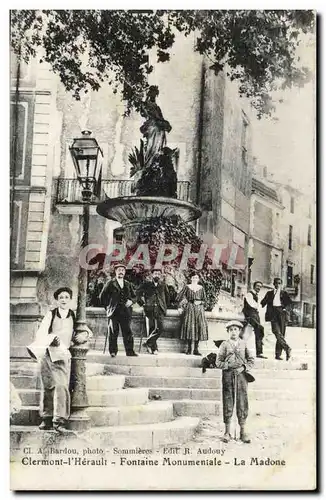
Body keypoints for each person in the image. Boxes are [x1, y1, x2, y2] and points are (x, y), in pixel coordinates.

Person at [27, 287, 85, 432]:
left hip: (62, 355)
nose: (64, 300)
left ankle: (59, 421)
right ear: (57, 300)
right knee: (48, 386)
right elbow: (41, 333)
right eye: (61, 297)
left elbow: (85, 329)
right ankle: (47, 418)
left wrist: (84, 336)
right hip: (48, 353)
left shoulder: (73, 315)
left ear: (70, 300)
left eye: (66, 297)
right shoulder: (51, 314)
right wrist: (51, 339)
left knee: (62, 386)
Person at [216, 320, 255, 444]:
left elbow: (251, 360)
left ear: (239, 331)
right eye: (231, 329)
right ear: (228, 331)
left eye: (236, 329)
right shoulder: (224, 345)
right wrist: (228, 365)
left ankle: (243, 431)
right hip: (228, 376)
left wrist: (243, 368)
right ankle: (227, 432)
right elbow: (218, 362)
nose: (233, 332)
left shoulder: (244, 344)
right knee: (228, 401)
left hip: (242, 377)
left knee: (242, 401)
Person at [99, 264, 138, 357]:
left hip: (125, 312)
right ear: (115, 271)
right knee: (113, 331)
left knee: (127, 332)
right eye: (119, 270)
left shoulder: (128, 284)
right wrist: (108, 308)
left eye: (123, 270)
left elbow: (135, 296)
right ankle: (113, 351)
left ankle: (130, 352)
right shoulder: (110, 283)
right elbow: (102, 297)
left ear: (124, 272)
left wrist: (131, 301)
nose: (121, 272)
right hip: (114, 312)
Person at [137, 268, 170, 355]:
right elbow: (137, 294)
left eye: (159, 274)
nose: (157, 275)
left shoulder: (163, 285)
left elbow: (167, 297)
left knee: (160, 328)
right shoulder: (146, 284)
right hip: (149, 309)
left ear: (161, 275)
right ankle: (153, 349)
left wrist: (165, 306)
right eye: (155, 273)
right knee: (151, 328)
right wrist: (142, 304)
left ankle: (148, 342)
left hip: (160, 309)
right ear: (152, 275)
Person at [176, 271, 208, 355]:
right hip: (190, 308)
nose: (195, 279)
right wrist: (180, 306)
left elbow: (205, 300)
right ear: (191, 279)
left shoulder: (201, 288)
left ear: (198, 279)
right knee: (190, 327)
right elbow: (179, 297)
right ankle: (189, 349)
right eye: (193, 277)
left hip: (199, 309)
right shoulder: (187, 287)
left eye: (196, 278)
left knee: (199, 327)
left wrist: (200, 302)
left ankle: (196, 349)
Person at [140, 85, 172, 168]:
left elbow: (160, 117)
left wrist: (165, 123)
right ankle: (150, 162)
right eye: (152, 94)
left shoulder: (157, 107)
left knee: (159, 143)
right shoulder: (146, 105)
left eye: (155, 94)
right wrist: (160, 121)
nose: (154, 96)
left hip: (159, 127)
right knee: (152, 145)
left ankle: (156, 159)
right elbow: (148, 114)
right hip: (153, 126)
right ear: (149, 94)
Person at [260, 278, 292, 361]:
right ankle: (287, 348)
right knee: (276, 332)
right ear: (273, 284)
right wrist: (261, 302)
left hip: (281, 314)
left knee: (281, 334)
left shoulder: (284, 293)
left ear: (281, 284)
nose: (277, 285)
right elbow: (263, 302)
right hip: (273, 314)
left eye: (279, 283)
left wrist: (285, 309)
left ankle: (278, 354)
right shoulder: (269, 293)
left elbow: (289, 304)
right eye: (276, 283)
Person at [242, 280, 267, 359]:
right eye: (257, 286)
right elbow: (253, 305)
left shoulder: (256, 295)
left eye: (260, 287)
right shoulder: (249, 294)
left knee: (257, 332)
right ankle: (259, 349)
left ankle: (259, 352)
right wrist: (258, 306)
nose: (259, 288)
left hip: (255, 315)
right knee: (259, 329)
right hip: (249, 315)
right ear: (254, 286)